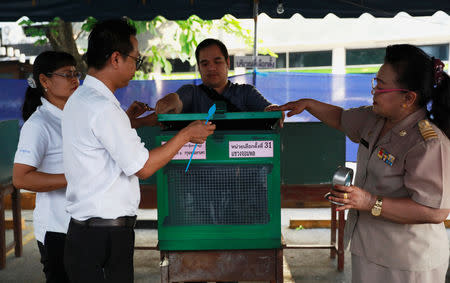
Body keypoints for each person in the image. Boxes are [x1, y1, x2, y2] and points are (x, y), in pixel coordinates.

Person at [270, 44, 450, 283]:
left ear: (408, 98)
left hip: (408, 261)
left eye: (381, 87)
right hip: (369, 248)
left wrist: (368, 201)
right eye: (375, 83)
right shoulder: (375, 119)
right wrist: (309, 104)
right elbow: (341, 118)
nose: (373, 92)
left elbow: (435, 211)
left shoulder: (428, 143)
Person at [62, 18, 215, 283]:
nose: (137, 66)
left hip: (86, 233)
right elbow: (143, 167)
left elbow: (100, 142)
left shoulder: (82, 98)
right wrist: (186, 135)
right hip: (104, 238)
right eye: (136, 59)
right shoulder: (103, 108)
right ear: (116, 59)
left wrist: (133, 122)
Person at [12, 51, 81, 283]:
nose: (75, 80)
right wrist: (74, 178)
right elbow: (21, 178)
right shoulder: (39, 124)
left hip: (82, 224)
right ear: (45, 81)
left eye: (76, 73)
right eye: (67, 74)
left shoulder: (74, 115)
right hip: (58, 229)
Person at [155, 38, 283, 124]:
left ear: (227, 62)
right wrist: (167, 103)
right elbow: (176, 101)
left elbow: (268, 110)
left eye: (217, 61)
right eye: (205, 64)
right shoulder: (191, 92)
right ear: (199, 68)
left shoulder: (246, 92)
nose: (211, 67)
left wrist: (274, 110)